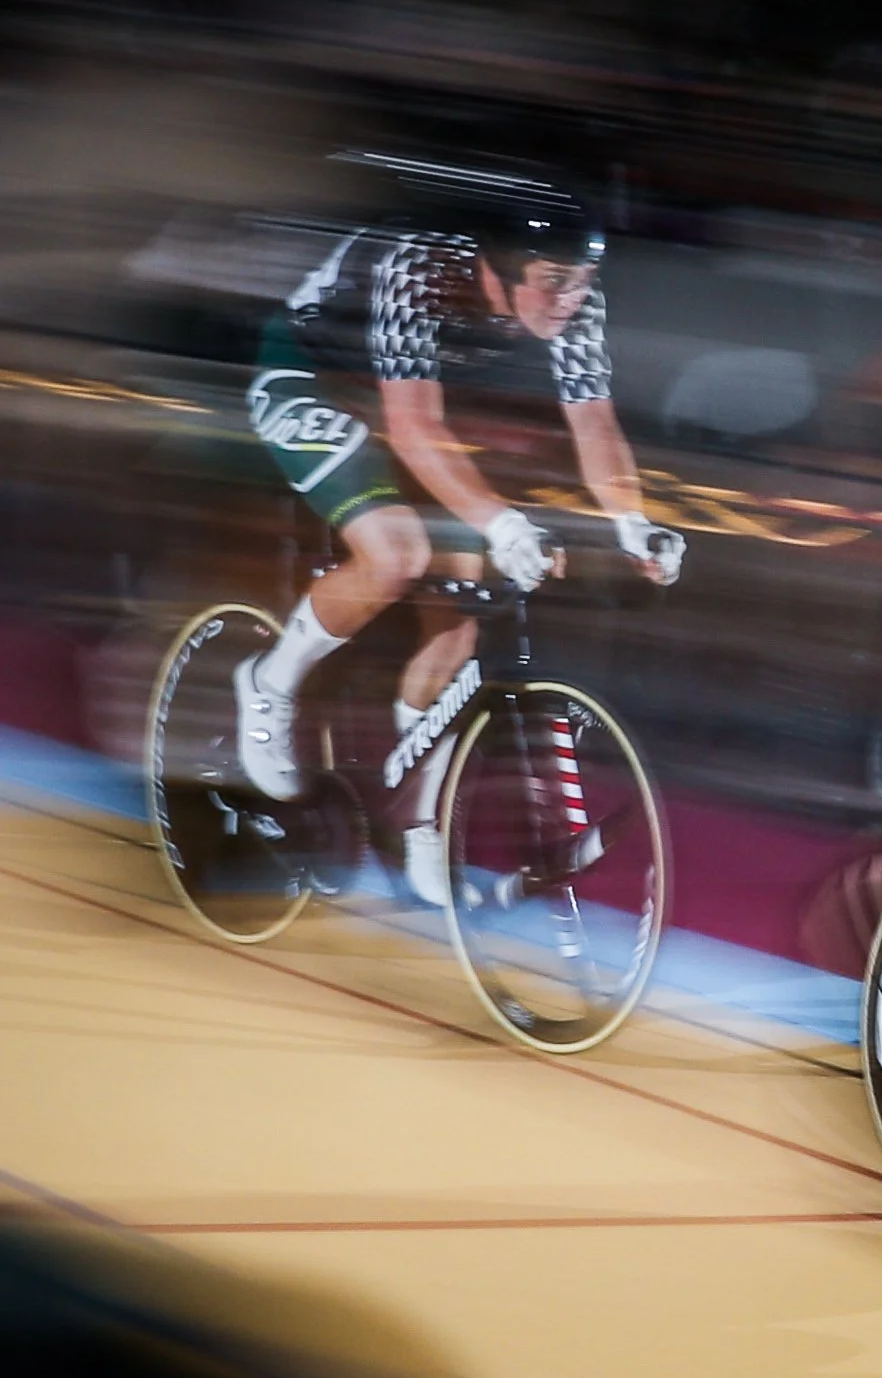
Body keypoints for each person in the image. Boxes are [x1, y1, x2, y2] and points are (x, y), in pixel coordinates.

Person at [234, 168, 683, 905]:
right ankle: (269, 683)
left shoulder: (572, 292)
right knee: (400, 553)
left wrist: (634, 523)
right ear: (497, 269)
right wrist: (503, 522)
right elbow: (414, 429)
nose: (569, 298)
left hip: (413, 399)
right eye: (553, 282)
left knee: (466, 605)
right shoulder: (418, 267)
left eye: (582, 282)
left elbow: (594, 423)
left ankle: (418, 825)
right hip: (314, 380)